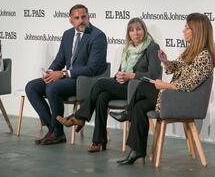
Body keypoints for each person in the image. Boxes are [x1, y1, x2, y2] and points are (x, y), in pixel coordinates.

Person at [110, 12, 215, 165]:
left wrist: (164, 85)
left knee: (144, 84)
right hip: (173, 97)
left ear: (197, 30)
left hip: (183, 101)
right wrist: (166, 61)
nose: (183, 31)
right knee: (139, 107)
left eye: (187, 28)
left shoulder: (204, 56)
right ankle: (136, 151)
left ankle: (128, 112)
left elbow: (189, 85)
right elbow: (176, 68)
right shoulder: (191, 51)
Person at [57, 18, 162, 152]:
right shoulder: (128, 49)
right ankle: (98, 141)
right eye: (132, 30)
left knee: (101, 82)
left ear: (144, 30)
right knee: (102, 97)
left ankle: (80, 117)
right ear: (128, 33)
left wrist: (131, 76)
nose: (135, 33)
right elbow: (121, 70)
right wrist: (119, 75)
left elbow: (153, 75)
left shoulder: (152, 47)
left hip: (138, 90)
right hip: (124, 85)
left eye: (139, 29)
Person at [25, 4, 107, 145]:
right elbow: (60, 59)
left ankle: (57, 133)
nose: (81, 20)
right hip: (68, 78)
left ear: (89, 17)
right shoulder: (67, 34)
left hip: (85, 81)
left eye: (83, 17)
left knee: (53, 88)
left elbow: (92, 68)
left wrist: (63, 73)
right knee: (31, 87)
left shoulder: (97, 36)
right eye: (77, 18)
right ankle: (53, 129)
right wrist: (50, 72)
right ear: (71, 21)